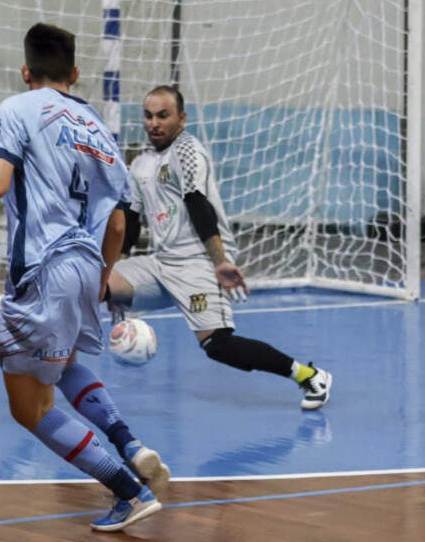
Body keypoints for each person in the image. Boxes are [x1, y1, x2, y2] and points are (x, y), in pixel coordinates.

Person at [0, 23, 169, 532]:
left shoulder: (18, 107)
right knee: (62, 363)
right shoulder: (96, 125)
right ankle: (130, 443)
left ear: (24, 72)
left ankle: (129, 491)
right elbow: (119, 220)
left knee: (29, 407)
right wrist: (103, 274)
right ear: (75, 74)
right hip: (86, 264)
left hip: (43, 270)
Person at [107, 85, 333, 411]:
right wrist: (118, 268)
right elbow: (130, 220)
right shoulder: (140, 164)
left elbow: (198, 205)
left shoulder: (188, 151)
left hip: (199, 260)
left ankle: (309, 375)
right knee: (95, 282)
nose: (154, 123)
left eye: (163, 116)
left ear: (181, 119)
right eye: (148, 116)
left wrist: (220, 261)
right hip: (161, 263)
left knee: (218, 346)